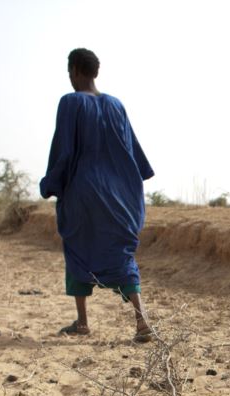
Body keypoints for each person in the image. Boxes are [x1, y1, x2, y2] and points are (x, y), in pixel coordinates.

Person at [39, 48, 155, 343]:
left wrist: (50, 183)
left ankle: (82, 322)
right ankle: (141, 321)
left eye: (69, 71)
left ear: (76, 70)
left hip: (84, 191)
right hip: (123, 193)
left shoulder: (70, 102)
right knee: (121, 252)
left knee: (78, 247)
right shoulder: (116, 104)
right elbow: (132, 150)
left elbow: (64, 150)